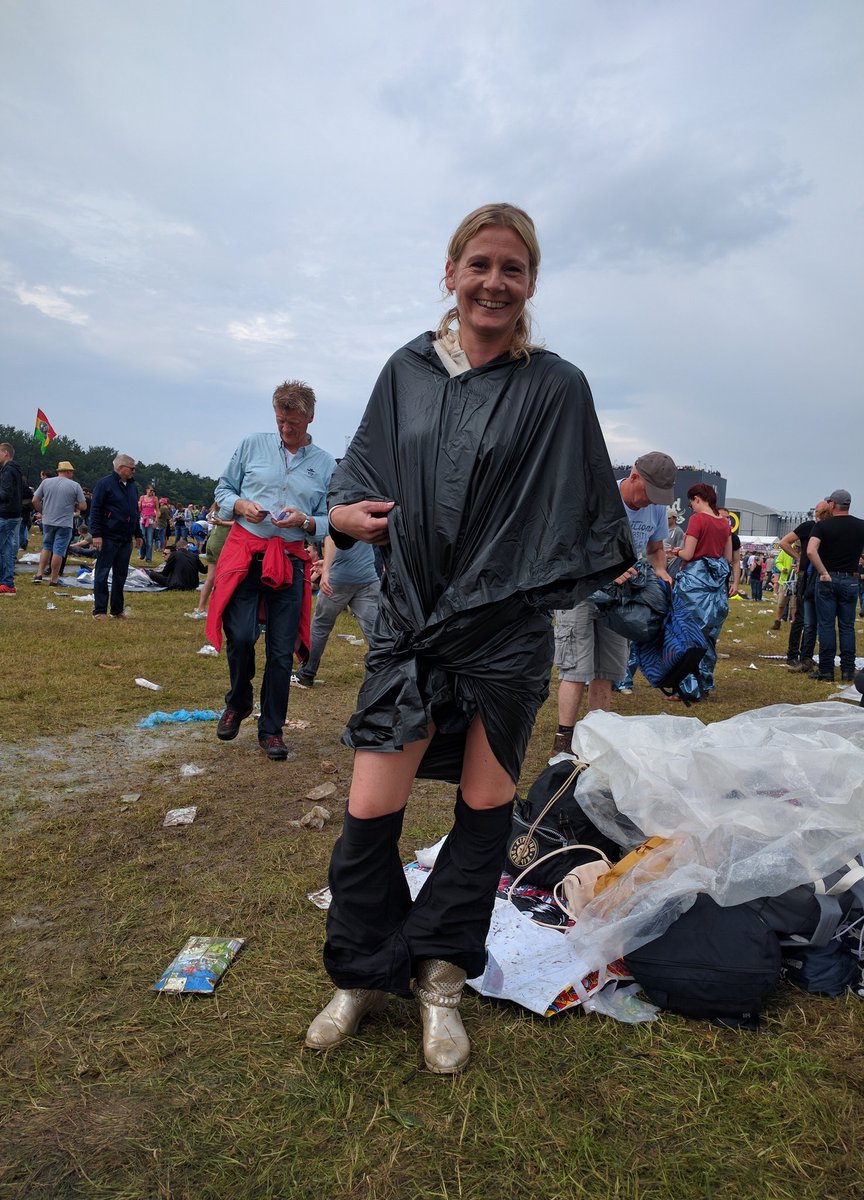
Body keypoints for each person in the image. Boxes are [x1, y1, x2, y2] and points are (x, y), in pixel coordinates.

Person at [304, 203, 633, 1074]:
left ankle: (442, 976)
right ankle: (362, 971)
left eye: (513, 269)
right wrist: (338, 513)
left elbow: (590, 518)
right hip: (410, 624)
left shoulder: (556, 386)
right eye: (480, 264)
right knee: (370, 812)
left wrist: (515, 577)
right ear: (450, 273)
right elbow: (356, 466)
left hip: (503, 636)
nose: (495, 282)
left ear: (530, 284)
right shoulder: (407, 370)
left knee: (485, 813)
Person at [206, 381, 335, 761]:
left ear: (310, 418)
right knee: (241, 636)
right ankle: (238, 701)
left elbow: (335, 518)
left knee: (281, 652)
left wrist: (308, 521)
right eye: (280, 421)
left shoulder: (325, 464)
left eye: (293, 423)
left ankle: (272, 729)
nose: (285, 429)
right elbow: (224, 489)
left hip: (291, 560)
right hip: (245, 553)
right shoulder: (251, 445)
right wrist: (241, 505)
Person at [552, 452, 675, 754]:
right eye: (648, 493)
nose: (650, 502)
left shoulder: (656, 508)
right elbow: (569, 542)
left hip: (621, 599)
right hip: (580, 592)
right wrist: (607, 568)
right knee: (576, 669)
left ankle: (597, 738)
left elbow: (656, 547)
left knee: (607, 670)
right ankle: (563, 742)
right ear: (634, 476)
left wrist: (660, 570)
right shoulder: (599, 494)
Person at [667, 482, 737, 701]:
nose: (691, 507)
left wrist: (675, 552)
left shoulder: (697, 520)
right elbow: (727, 557)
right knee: (708, 637)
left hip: (694, 583)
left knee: (687, 634)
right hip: (716, 584)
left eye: (691, 503)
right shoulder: (724, 523)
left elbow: (688, 554)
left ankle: (686, 688)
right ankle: (704, 682)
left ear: (698, 498)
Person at [292, 535, 381, 689]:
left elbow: (332, 539)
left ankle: (306, 674)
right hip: (368, 577)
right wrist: (328, 563)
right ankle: (389, 674)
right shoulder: (367, 512)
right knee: (376, 631)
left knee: (320, 626)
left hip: (338, 581)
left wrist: (327, 569)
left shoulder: (337, 512)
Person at [806, 489, 864, 684]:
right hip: (850, 579)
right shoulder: (862, 526)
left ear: (833, 504)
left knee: (826, 625)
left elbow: (810, 551)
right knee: (847, 626)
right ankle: (848, 671)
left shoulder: (823, 526)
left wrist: (823, 571)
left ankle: (826, 671)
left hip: (828, 578)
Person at [784, 501, 832, 672]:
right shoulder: (809, 526)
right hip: (808, 575)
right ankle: (793, 654)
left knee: (811, 619)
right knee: (803, 617)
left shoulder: (826, 528)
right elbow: (784, 542)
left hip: (817, 574)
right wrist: (799, 558)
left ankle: (805, 656)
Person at [90, 454, 139, 619]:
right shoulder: (104, 484)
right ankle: (100, 610)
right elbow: (95, 510)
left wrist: (138, 533)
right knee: (102, 573)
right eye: (131, 468)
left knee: (121, 574)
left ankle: (117, 610)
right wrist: (96, 534)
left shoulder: (132, 486)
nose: (134, 471)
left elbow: (134, 511)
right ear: (120, 468)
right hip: (108, 535)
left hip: (126, 538)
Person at [31, 461, 87, 585]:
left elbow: (35, 500)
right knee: (58, 550)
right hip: (64, 523)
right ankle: (53, 579)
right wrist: (74, 504)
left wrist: (43, 511)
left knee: (46, 547)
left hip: (48, 521)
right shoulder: (75, 485)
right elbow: (83, 506)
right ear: (67, 471)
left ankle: (39, 573)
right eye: (71, 471)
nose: (72, 474)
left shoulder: (46, 482)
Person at [194, 503, 232, 616]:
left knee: (210, 578)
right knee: (223, 578)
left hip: (211, 543)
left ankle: (201, 608)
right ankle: (218, 609)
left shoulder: (216, 509)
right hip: (221, 544)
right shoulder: (229, 509)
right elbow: (238, 524)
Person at [0, 442, 25, 595]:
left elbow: (5, 493)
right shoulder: (16, 470)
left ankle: (7, 581)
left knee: (5, 549)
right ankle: (8, 583)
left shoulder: (8, 471)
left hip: (5, 514)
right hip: (13, 514)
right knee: (7, 549)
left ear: (6, 453)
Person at [143, 540, 208, 590]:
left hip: (176, 585)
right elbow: (204, 571)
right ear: (186, 546)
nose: (163, 555)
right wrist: (212, 564)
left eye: (165, 554)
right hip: (193, 585)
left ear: (177, 548)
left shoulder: (174, 554)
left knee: (152, 574)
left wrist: (153, 572)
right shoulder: (194, 556)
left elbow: (165, 572)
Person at [137, 485, 160, 564]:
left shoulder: (155, 499)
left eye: (153, 491)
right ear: (146, 490)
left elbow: (157, 510)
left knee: (150, 540)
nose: (152, 492)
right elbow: (139, 509)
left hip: (150, 519)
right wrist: (139, 505)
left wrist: (155, 521)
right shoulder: (142, 497)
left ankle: (148, 558)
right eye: (150, 490)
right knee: (142, 536)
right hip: (143, 519)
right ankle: (141, 553)